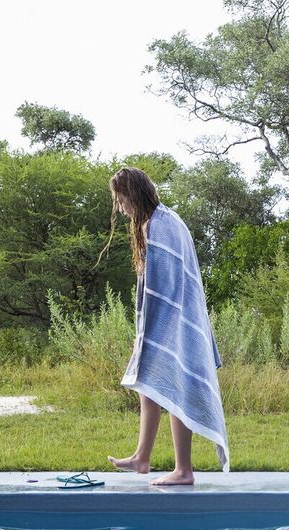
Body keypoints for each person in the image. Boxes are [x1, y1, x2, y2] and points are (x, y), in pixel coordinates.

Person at [102, 166, 229, 487]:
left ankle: (183, 470)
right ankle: (142, 457)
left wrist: (153, 331)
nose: (120, 207)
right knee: (150, 387)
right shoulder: (161, 220)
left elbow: (166, 285)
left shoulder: (159, 226)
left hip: (175, 322)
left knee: (174, 389)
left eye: (121, 199)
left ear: (133, 194)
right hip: (173, 320)